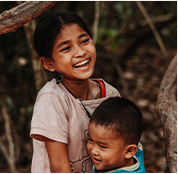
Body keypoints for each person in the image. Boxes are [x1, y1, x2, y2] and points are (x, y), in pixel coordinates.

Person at [30, 11, 121, 173]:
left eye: (84, 41)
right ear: (49, 63)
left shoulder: (110, 94)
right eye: (66, 48)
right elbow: (60, 169)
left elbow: (121, 152)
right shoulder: (52, 99)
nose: (80, 52)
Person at [87, 97, 145, 173]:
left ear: (129, 151)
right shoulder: (136, 152)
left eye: (103, 146)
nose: (94, 151)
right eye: (91, 140)